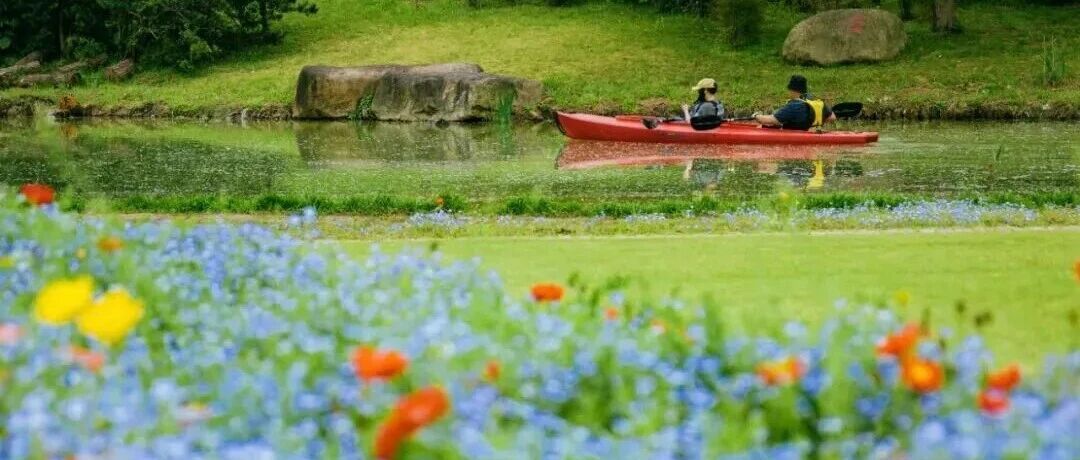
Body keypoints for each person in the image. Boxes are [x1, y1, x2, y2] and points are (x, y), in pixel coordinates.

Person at [754, 75, 836, 131]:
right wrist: (812, 123)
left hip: (797, 137)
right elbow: (832, 117)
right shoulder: (815, 101)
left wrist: (756, 116)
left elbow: (771, 120)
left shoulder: (793, 106)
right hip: (814, 133)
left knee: (762, 126)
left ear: (792, 90)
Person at [643, 78, 726, 130]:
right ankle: (659, 120)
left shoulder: (706, 106)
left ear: (705, 91)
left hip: (695, 126)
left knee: (674, 119)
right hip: (708, 125)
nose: (698, 92)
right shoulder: (718, 103)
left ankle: (656, 123)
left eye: (699, 90)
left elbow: (690, 123)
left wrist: (685, 110)